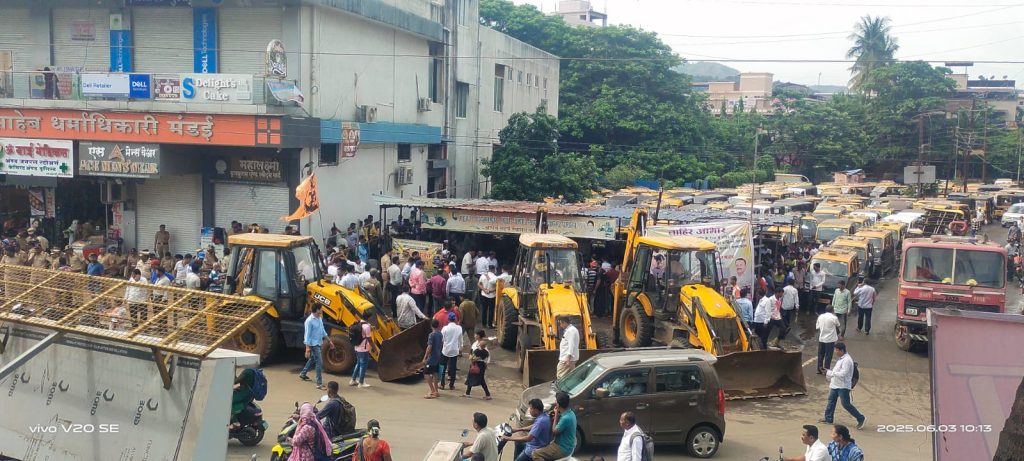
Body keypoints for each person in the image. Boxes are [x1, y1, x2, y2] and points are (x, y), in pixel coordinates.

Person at [821, 343, 865, 429]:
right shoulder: (841, 359)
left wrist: (829, 372)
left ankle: (861, 418)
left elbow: (843, 374)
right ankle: (828, 419)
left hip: (843, 386)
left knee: (846, 404)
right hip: (835, 385)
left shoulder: (847, 360)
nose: (835, 352)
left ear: (842, 350)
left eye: (837, 350)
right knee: (831, 401)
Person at [299, 304, 335, 390]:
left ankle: (303, 374)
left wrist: (329, 341)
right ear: (317, 310)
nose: (322, 310)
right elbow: (307, 336)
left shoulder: (319, 318)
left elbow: (322, 331)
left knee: (312, 359)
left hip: (318, 342)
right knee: (319, 362)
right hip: (313, 344)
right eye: (321, 309)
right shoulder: (309, 321)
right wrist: (307, 348)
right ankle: (319, 384)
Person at [532, 391, 576, 461]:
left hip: (562, 448)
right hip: (567, 444)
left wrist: (555, 416)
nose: (555, 402)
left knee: (535, 454)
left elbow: (554, 431)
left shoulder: (565, 418)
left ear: (557, 405)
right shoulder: (570, 413)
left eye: (556, 401)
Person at [440, 312, 463, 390]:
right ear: (455, 319)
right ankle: (451, 385)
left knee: (442, 367)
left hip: (445, 350)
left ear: (448, 319)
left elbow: (442, 339)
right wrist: (460, 349)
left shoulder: (445, 328)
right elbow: (460, 340)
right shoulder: (459, 328)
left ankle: (442, 384)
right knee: (453, 368)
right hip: (454, 350)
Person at [350, 310, 373, 388]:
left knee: (359, 363)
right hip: (363, 348)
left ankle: (353, 380)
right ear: (369, 318)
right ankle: (361, 382)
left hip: (356, 347)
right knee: (363, 365)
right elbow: (369, 338)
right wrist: (374, 347)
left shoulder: (358, 322)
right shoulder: (367, 326)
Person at [815, 306, 841, 374]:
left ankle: (819, 369)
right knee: (828, 356)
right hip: (830, 340)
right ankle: (826, 370)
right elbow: (838, 325)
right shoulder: (834, 318)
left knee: (821, 355)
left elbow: (817, 327)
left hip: (821, 338)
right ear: (832, 311)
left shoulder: (820, 316)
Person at [422, 319, 443, 399]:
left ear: (431, 326)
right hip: (438, 356)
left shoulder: (431, 335)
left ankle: (432, 390)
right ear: (438, 325)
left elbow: (429, 347)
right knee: (435, 372)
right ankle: (436, 391)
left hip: (432, 357)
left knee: (426, 373)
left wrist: (425, 358)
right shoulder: (440, 334)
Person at [478, 264, 498, 329]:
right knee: (491, 310)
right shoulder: (495, 277)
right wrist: (489, 291)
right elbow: (496, 288)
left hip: (483, 294)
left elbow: (479, 284)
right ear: (493, 270)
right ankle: (489, 324)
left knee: (484, 309)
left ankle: (483, 324)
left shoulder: (483, 275)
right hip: (492, 296)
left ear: (489, 269)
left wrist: (484, 290)